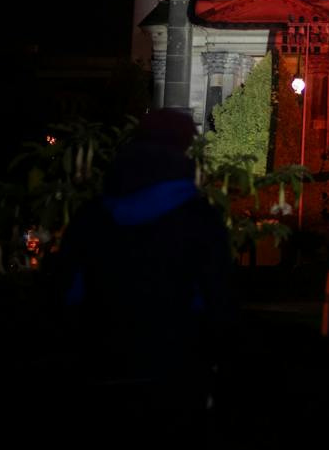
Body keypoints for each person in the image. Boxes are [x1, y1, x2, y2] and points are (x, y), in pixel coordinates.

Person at [54, 110, 235, 440]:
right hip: (176, 373)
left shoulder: (91, 215)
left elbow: (65, 293)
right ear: (185, 147)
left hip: (100, 367)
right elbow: (218, 301)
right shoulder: (199, 218)